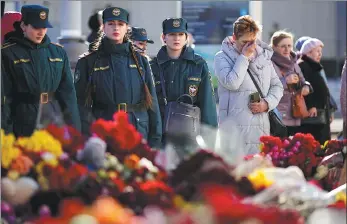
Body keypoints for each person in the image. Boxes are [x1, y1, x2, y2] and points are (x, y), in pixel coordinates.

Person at [74, 7, 162, 148]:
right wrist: (87, 134)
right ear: (103, 27)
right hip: (104, 131)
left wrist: (156, 139)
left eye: (120, 24)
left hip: (137, 129)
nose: (116, 28)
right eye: (111, 24)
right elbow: (80, 104)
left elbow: (152, 102)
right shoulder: (88, 62)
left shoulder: (141, 61)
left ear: (126, 28)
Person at [1, 5, 81, 137]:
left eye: (44, 27)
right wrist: (6, 133)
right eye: (36, 27)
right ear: (23, 26)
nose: (41, 32)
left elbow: (68, 95)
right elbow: (5, 98)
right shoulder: (8, 53)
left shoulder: (58, 53)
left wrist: (74, 130)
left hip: (53, 121)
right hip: (22, 122)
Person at [214, 15, 283, 154]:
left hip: (261, 130)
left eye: (252, 41)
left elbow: (277, 86)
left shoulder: (263, 57)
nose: (249, 46)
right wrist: (244, 57)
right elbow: (232, 83)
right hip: (235, 132)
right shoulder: (221, 57)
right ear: (234, 38)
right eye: (244, 42)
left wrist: (267, 103)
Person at [149, 18, 218, 141]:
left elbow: (207, 103)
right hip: (161, 136)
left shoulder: (198, 64)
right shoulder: (152, 66)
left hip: (190, 135)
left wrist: (209, 138)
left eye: (181, 34)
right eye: (172, 34)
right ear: (164, 37)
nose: (177, 38)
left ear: (186, 37)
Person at [270, 31, 312, 136]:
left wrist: (306, 87)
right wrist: (286, 81)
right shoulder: (269, 63)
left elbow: (303, 81)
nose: (287, 49)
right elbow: (267, 86)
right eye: (283, 46)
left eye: (289, 46)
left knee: (293, 147)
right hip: (278, 113)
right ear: (274, 47)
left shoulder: (294, 62)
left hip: (296, 111)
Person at [298, 38, 331, 144]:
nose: (320, 54)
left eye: (320, 52)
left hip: (320, 113)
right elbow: (303, 88)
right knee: (314, 145)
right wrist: (312, 105)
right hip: (312, 115)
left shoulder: (314, 66)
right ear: (308, 52)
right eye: (317, 51)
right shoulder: (303, 65)